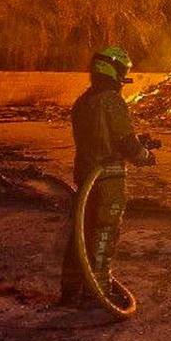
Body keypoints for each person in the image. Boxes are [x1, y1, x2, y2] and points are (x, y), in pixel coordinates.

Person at [59, 45, 157, 308]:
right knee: (104, 233)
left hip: (85, 177)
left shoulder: (83, 101)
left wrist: (137, 142)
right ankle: (97, 292)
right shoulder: (111, 101)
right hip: (107, 180)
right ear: (114, 71)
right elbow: (125, 143)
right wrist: (144, 156)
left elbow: (99, 136)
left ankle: (71, 291)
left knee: (81, 233)